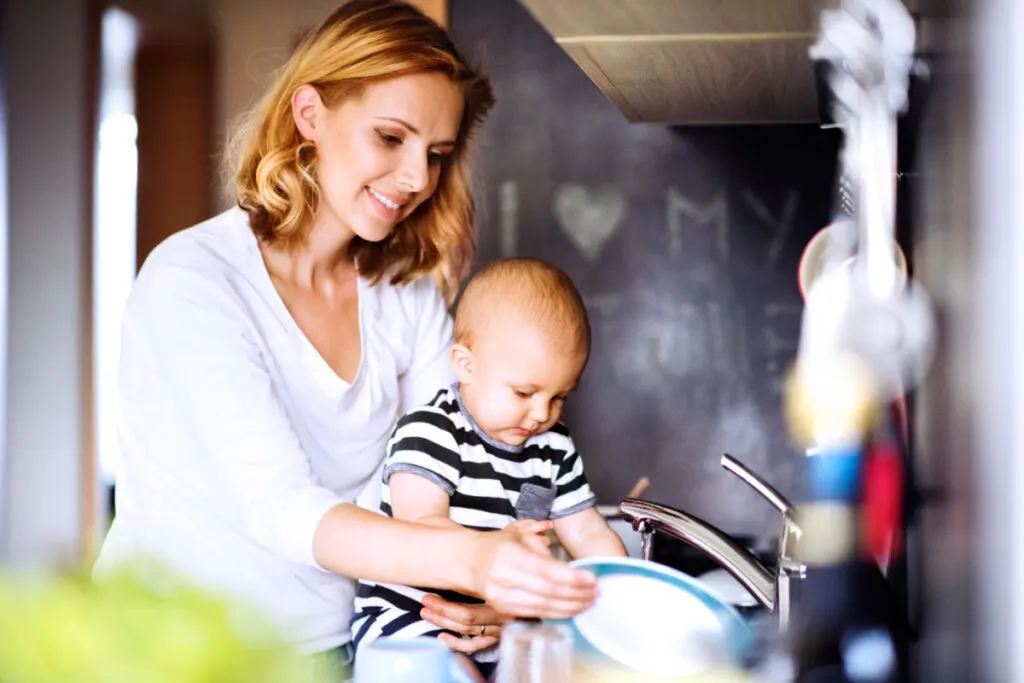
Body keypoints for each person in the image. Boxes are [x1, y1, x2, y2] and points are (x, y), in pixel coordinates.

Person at [92, 0, 597, 671]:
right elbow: (284, 508)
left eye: (437, 154)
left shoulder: (407, 295)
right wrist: (475, 559)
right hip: (179, 650)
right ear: (310, 115)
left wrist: (496, 593)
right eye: (391, 138)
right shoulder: (194, 282)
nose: (418, 178)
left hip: (343, 647)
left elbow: (460, 459)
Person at [351, 258, 627, 682]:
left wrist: (622, 590)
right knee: (451, 673)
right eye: (525, 392)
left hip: (504, 627)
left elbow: (587, 533)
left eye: (559, 398)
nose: (540, 414)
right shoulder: (433, 431)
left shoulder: (554, 447)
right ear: (466, 365)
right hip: (412, 624)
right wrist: (496, 549)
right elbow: (420, 525)